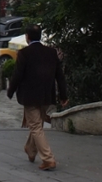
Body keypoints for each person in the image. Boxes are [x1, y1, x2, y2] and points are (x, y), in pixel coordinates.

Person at [7, 24, 68, 171]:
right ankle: (30, 148)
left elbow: (17, 75)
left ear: (27, 37)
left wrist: (11, 90)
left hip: (29, 97)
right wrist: (63, 95)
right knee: (37, 125)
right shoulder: (51, 53)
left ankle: (48, 159)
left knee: (35, 126)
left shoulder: (24, 53)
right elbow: (60, 76)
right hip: (46, 96)